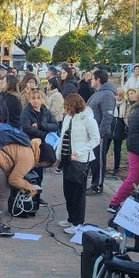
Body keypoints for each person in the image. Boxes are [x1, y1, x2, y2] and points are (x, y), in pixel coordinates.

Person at [57, 93, 100, 233]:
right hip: (66, 159)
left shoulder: (88, 119)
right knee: (68, 191)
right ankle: (71, 218)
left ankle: (78, 222)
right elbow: (63, 137)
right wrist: (58, 156)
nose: (65, 110)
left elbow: (95, 139)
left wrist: (80, 152)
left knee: (78, 193)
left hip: (80, 161)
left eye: (67, 107)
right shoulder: (68, 118)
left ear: (74, 106)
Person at [85, 69, 117, 194]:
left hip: (99, 134)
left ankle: (97, 186)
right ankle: (93, 184)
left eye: (92, 78)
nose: (90, 81)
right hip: (93, 133)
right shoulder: (98, 93)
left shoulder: (107, 95)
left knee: (98, 160)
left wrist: (100, 134)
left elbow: (107, 116)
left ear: (98, 80)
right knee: (93, 160)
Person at [109, 88, 135, 176]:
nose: (118, 97)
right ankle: (102, 166)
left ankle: (116, 168)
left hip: (120, 128)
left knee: (117, 149)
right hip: (110, 128)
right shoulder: (111, 103)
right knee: (105, 148)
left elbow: (126, 117)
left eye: (120, 95)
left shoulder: (126, 104)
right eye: (116, 95)